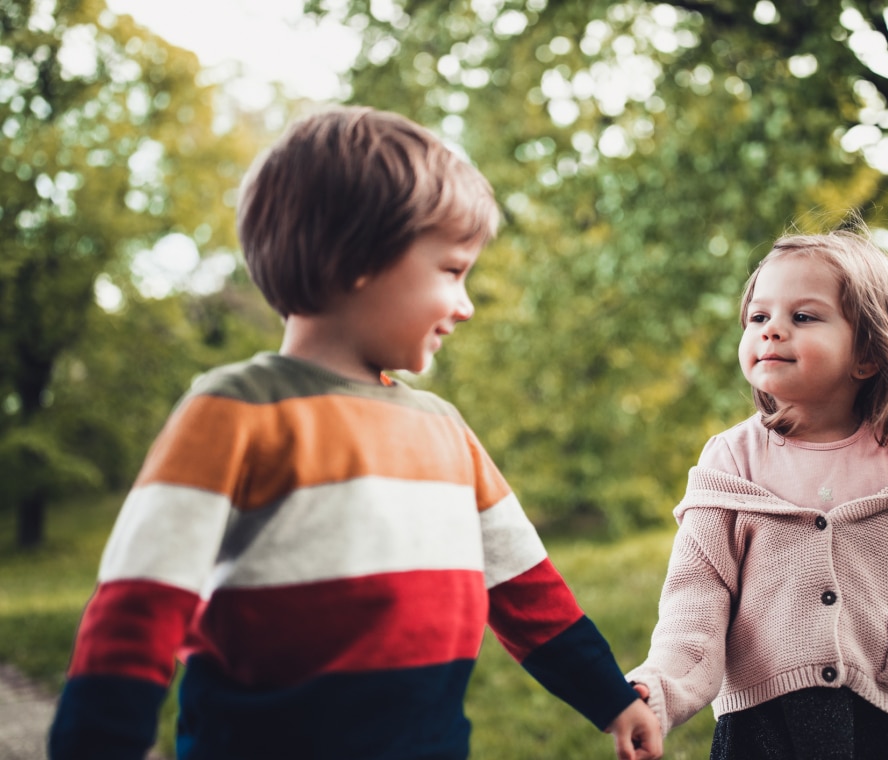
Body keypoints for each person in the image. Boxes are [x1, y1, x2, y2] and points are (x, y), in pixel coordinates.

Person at [49, 106, 662, 760]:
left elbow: (524, 587)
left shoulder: (446, 432)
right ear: (358, 257)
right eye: (452, 272)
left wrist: (610, 697)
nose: (466, 304)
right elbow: (139, 603)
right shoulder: (233, 411)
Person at [626, 223, 888, 759]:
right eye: (759, 316)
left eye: (802, 317)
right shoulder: (731, 463)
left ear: (867, 356)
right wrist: (658, 690)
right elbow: (693, 607)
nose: (772, 330)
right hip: (764, 729)